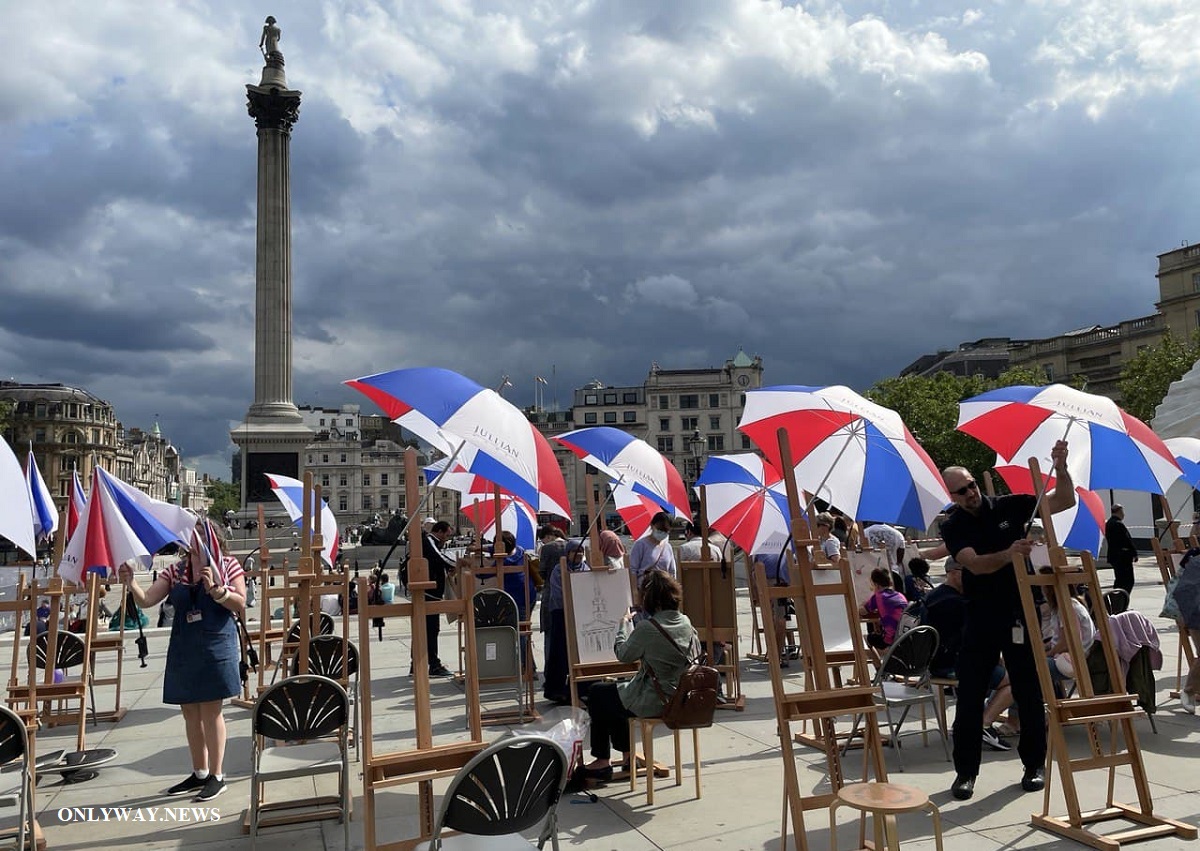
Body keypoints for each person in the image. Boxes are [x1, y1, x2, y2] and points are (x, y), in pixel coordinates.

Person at [939, 439, 1075, 801]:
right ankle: (965, 772)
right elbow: (974, 564)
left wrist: (1060, 467)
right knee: (969, 695)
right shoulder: (953, 526)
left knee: (1029, 691)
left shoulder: (1012, 506)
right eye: (961, 491)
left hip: (1020, 611)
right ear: (952, 496)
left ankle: (1034, 765)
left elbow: (1063, 501)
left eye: (970, 485)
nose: (969, 494)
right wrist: (1008, 553)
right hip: (981, 615)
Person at [119, 523, 246, 802]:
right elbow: (148, 600)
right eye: (188, 532)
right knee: (189, 711)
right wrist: (131, 583)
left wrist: (217, 590)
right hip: (184, 646)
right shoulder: (176, 571)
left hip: (215, 645)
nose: (191, 536)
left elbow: (240, 603)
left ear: (212, 537)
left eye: (198, 532)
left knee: (211, 711)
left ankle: (217, 775)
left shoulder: (227, 565)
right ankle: (199, 772)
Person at [581, 570, 698, 779]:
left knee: (598, 693)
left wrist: (623, 625)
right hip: (678, 698)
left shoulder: (648, 627)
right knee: (616, 694)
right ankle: (628, 757)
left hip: (655, 700)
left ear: (650, 599)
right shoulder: (686, 621)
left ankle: (602, 760)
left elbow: (623, 654)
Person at [922, 560, 1015, 752]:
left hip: (937, 662)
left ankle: (967, 722)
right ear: (952, 573)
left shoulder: (935, 596)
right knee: (1016, 679)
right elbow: (978, 639)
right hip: (953, 665)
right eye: (968, 572)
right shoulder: (955, 602)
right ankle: (983, 724)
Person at [543, 538, 588, 705]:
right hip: (561, 614)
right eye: (575, 552)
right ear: (567, 553)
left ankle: (582, 689)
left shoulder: (585, 568)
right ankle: (558, 691)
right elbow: (558, 593)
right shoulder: (558, 570)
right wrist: (572, 600)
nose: (578, 556)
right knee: (560, 651)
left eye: (581, 552)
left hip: (580, 616)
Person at [1039, 568, 1096, 695]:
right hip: (1073, 657)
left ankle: (1016, 710)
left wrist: (1047, 653)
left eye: (1043, 587)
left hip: (1074, 661)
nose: (1042, 591)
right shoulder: (1071, 603)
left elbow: (1067, 642)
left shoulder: (1067, 607)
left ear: (1050, 589)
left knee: (1024, 668)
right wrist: (1046, 647)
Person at [420, 521, 458, 677]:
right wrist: (457, 565)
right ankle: (434, 664)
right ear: (440, 532)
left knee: (423, 629)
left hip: (432, 592)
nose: (447, 539)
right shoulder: (429, 541)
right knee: (431, 628)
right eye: (447, 535)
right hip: (429, 592)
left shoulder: (432, 542)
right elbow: (439, 558)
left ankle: (416, 664)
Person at [859, 568, 908, 649]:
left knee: (866, 638)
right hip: (905, 633)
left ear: (876, 585)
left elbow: (862, 612)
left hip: (891, 638)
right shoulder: (899, 595)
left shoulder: (878, 596)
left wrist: (861, 605)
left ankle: (877, 661)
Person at [628, 512, 677, 582]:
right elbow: (633, 570)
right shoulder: (640, 544)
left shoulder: (668, 547)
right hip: (645, 587)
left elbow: (672, 571)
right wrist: (635, 591)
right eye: (660, 529)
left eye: (666, 530)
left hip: (664, 587)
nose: (662, 532)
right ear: (652, 526)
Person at [1105, 504, 1138, 595]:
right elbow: (1126, 540)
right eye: (1122, 512)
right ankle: (1122, 601)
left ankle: (1117, 601)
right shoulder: (1118, 524)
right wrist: (1134, 553)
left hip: (1114, 556)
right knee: (1127, 581)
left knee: (1119, 580)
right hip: (1123, 557)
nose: (1123, 514)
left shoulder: (1109, 523)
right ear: (1119, 512)